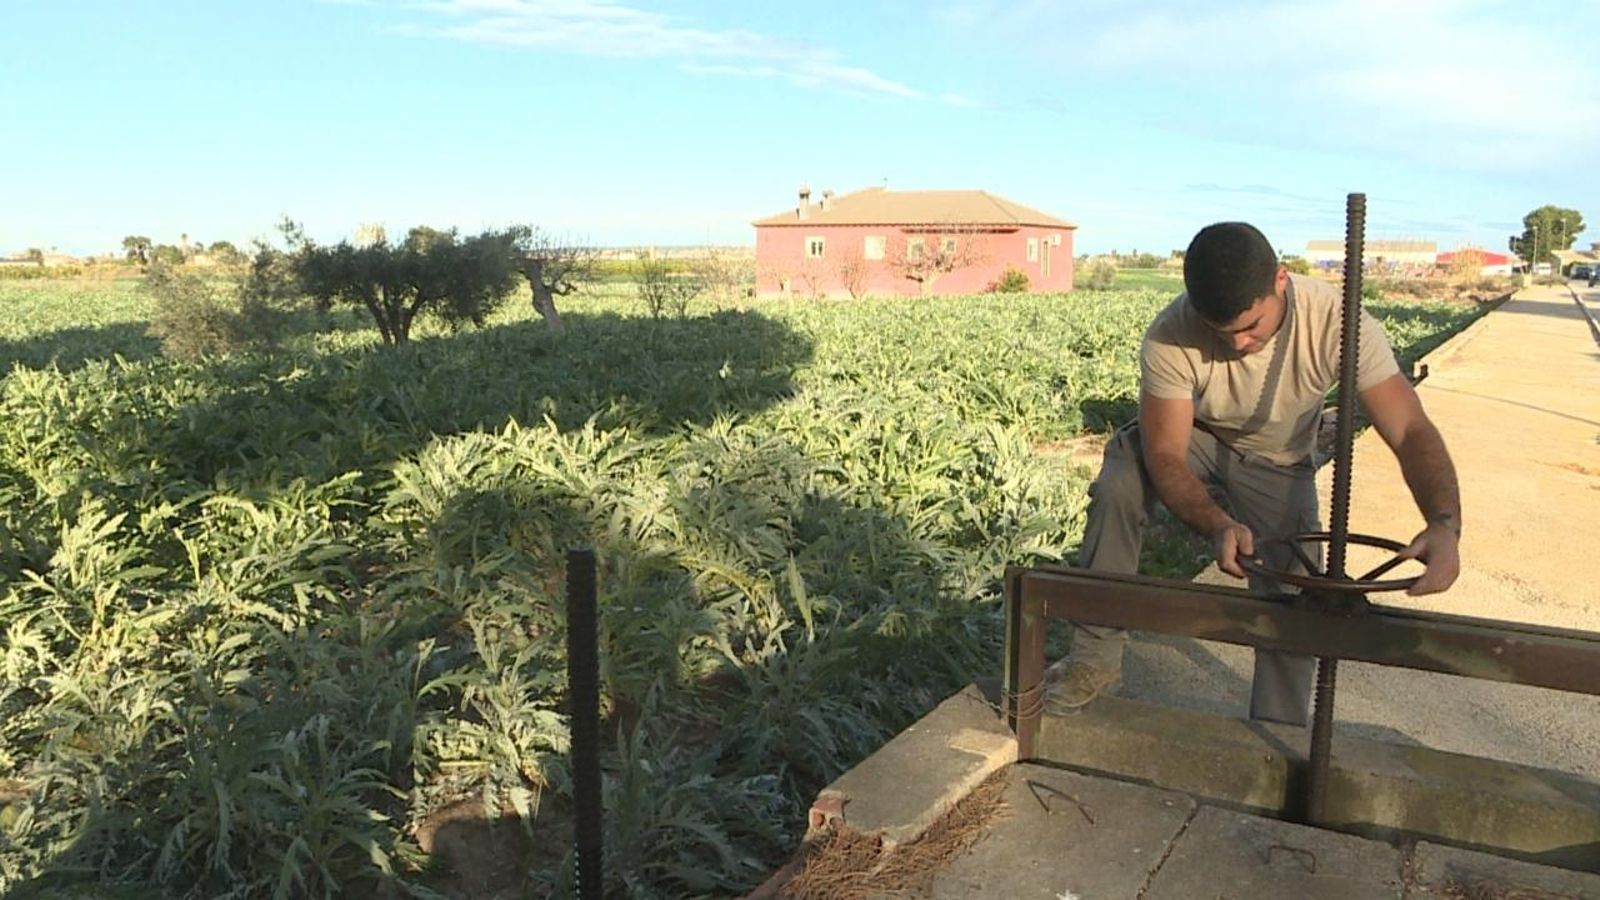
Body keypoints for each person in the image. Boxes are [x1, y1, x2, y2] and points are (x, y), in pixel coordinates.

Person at [1048, 222, 1462, 725]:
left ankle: (1277, 730)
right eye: (1223, 333)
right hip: (1195, 437)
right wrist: (1216, 522)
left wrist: (1444, 522)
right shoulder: (1171, 332)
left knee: (1297, 595)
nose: (1241, 343)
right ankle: (1093, 659)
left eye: (1252, 326)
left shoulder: (1337, 322)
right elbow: (1166, 454)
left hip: (1278, 459)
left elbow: (1409, 428)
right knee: (1121, 481)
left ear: (1281, 280)